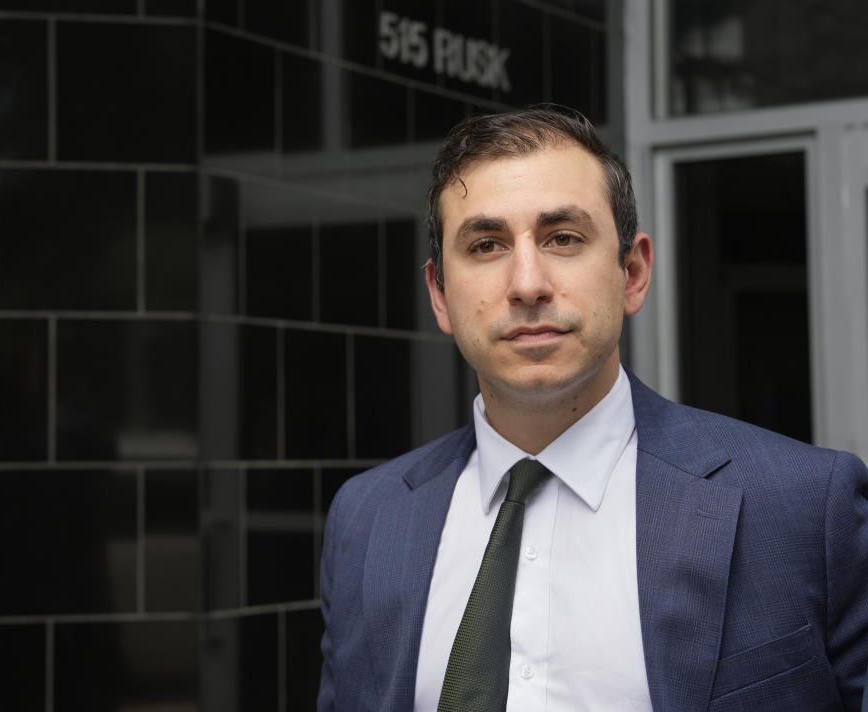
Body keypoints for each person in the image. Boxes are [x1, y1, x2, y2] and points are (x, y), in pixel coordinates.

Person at [317, 104, 868, 711]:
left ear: (632, 273)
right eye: (486, 244)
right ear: (440, 296)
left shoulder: (801, 508)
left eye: (563, 238)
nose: (527, 283)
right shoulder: (367, 520)